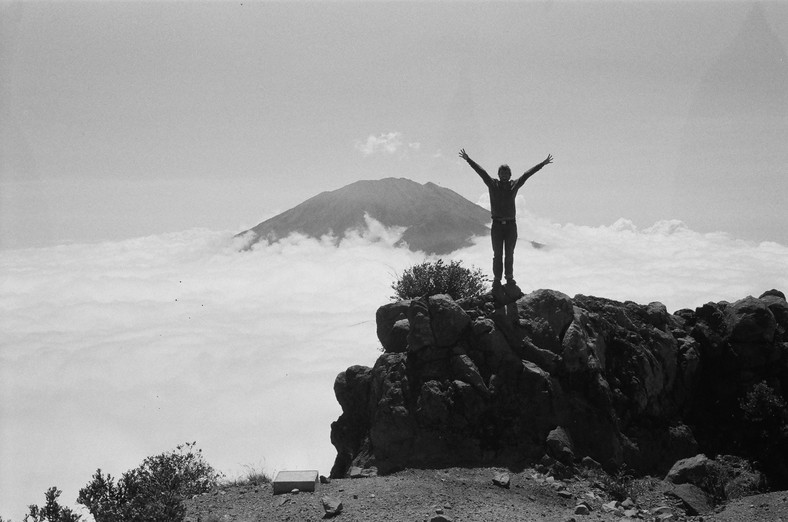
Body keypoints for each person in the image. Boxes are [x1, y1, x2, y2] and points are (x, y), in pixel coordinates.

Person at [459, 148, 553, 287]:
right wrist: (468, 160)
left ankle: (509, 278)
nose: (504, 175)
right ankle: (497, 279)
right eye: (502, 173)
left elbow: (527, 174)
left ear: (510, 175)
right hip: (497, 225)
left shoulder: (514, 185)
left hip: (510, 225)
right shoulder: (493, 184)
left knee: (509, 253)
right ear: (498, 174)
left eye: (506, 173)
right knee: (497, 254)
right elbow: (482, 172)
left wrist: (542, 164)